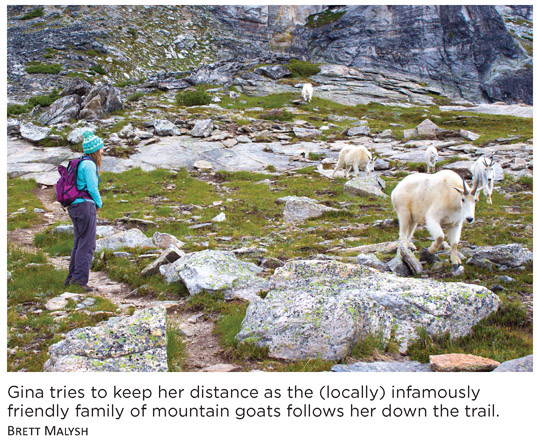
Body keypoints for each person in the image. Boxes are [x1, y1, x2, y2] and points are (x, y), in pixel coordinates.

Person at [64, 130, 103, 292]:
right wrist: (98, 203)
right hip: (85, 206)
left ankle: (71, 279)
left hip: (75, 206)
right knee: (88, 244)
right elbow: (92, 187)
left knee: (79, 242)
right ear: (95, 150)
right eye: (101, 148)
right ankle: (80, 280)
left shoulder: (81, 162)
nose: (103, 151)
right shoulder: (89, 165)